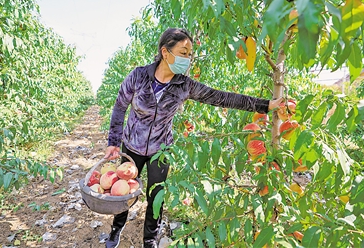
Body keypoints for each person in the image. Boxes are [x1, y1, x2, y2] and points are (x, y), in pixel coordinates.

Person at [103, 28, 284, 248]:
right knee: (123, 192)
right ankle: (116, 230)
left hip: (161, 150)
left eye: (190, 54)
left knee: (156, 198)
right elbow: (120, 107)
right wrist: (114, 142)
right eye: (183, 52)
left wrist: (265, 105)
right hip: (132, 145)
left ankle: (149, 241)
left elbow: (222, 98)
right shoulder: (139, 76)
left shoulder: (185, 86)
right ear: (165, 52)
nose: (188, 58)